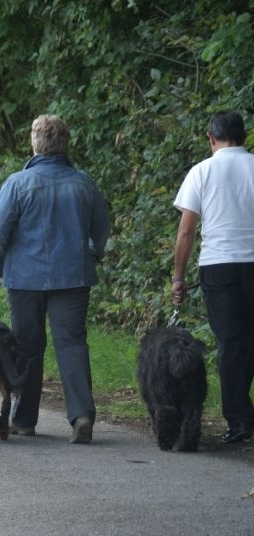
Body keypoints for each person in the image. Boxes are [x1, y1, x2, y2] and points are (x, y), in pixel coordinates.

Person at [0, 114, 111, 444]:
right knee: (71, 343)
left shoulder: (17, 183)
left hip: (25, 277)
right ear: (64, 143)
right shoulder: (84, 182)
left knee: (27, 346)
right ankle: (81, 414)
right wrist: (93, 253)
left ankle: (24, 420)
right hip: (74, 275)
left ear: (35, 144)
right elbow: (101, 226)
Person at [172, 111, 254, 444]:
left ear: (210, 138)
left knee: (231, 343)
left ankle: (239, 420)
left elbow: (187, 229)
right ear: (245, 137)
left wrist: (178, 276)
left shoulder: (201, 171)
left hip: (219, 265)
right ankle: (243, 413)